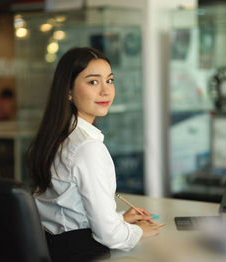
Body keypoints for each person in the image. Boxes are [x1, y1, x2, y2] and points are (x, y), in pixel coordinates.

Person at [26, 47, 160, 262]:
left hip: (53, 245)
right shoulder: (87, 148)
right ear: (68, 91)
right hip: (79, 252)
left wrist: (119, 220)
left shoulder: (59, 135)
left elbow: (68, 209)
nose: (106, 91)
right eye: (93, 82)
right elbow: (109, 236)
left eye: (110, 80)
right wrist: (139, 232)